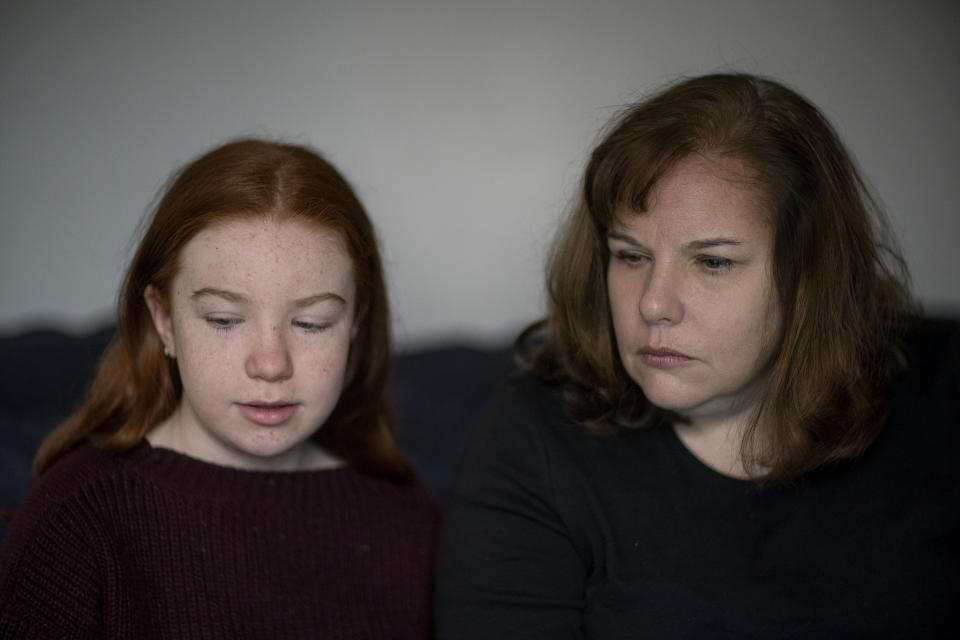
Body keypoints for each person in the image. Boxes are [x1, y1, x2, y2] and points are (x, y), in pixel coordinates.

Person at [435, 73, 959, 638]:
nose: (654, 304)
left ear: (810, 275)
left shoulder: (943, 388)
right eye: (630, 256)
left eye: (712, 263)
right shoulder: (533, 438)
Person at [0, 139, 438, 638]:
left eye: (313, 323)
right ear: (163, 319)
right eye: (224, 319)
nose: (270, 364)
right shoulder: (76, 516)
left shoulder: (406, 517)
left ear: (356, 323)